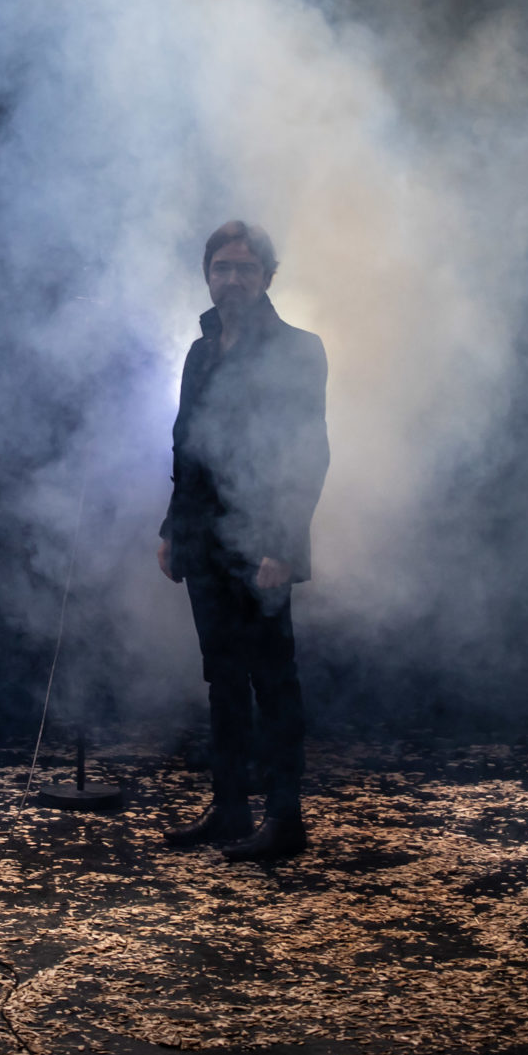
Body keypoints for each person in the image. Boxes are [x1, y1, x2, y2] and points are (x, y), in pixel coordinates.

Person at [156, 220, 329, 860]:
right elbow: (185, 448)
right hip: (204, 541)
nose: (231, 279)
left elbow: (308, 454)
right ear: (208, 275)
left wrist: (283, 546)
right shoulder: (200, 351)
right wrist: (173, 530)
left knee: (272, 682)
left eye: (244, 268)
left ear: (267, 277)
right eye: (221, 267)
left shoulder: (298, 349)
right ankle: (230, 809)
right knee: (222, 680)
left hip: (262, 543)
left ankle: (285, 820)